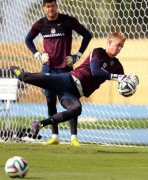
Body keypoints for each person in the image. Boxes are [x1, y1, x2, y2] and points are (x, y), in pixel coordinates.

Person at [10, 32, 139, 143]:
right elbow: (96, 71)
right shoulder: (98, 52)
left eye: (122, 46)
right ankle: (17, 70)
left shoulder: (117, 65)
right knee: (26, 78)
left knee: (76, 109)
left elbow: (123, 81)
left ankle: (39, 124)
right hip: (67, 81)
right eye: (118, 45)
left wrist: (133, 82)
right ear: (109, 42)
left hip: (73, 94)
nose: (119, 48)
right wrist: (118, 77)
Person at [25, 0, 92, 146]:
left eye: (53, 6)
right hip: (48, 69)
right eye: (48, 6)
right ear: (44, 8)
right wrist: (37, 55)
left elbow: (87, 35)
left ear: (57, 6)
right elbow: (28, 39)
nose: (51, 9)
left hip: (65, 70)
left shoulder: (68, 21)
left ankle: (74, 137)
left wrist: (77, 56)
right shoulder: (40, 24)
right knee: (50, 100)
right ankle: (54, 136)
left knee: (72, 102)